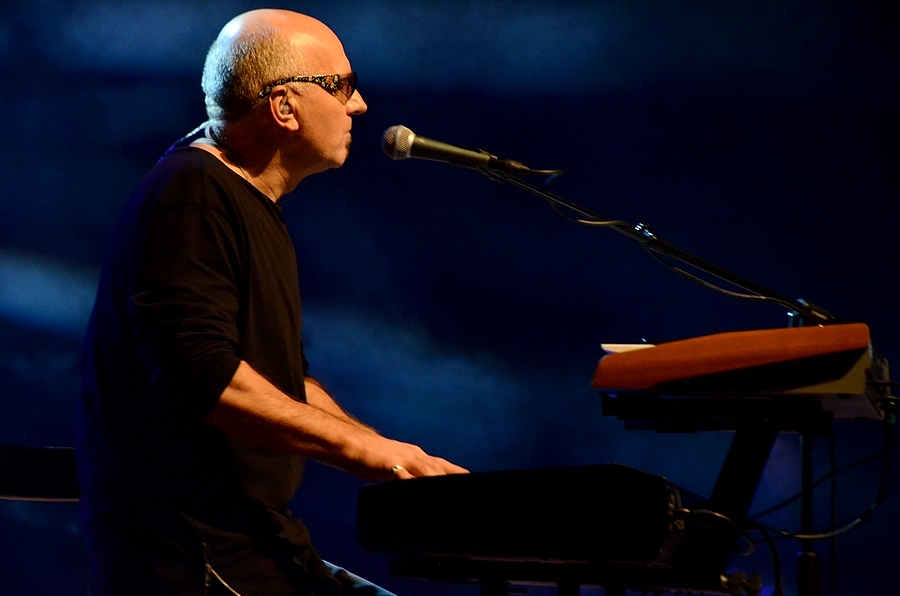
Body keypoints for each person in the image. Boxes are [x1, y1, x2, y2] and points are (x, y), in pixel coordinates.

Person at [75, 9, 467, 596]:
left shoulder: (244, 197)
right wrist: (366, 449)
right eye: (341, 86)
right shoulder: (193, 193)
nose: (359, 105)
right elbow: (200, 374)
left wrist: (403, 457)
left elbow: (281, 381)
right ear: (284, 106)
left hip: (255, 543)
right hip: (195, 557)